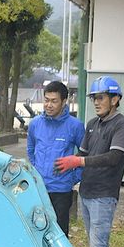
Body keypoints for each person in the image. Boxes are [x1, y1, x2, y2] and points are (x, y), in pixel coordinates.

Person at [55, 76, 124, 247]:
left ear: (115, 99)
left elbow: (114, 157)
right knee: (96, 245)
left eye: (101, 98)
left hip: (104, 195)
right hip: (87, 192)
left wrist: (78, 161)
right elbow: (84, 154)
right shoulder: (92, 125)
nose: (96, 103)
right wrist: (66, 164)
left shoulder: (122, 125)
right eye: (94, 99)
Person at [26, 80, 86, 236]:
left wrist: (73, 177)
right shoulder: (35, 124)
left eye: (54, 101)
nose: (49, 105)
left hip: (61, 190)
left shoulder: (75, 126)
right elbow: (31, 149)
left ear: (64, 102)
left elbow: (85, 154)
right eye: (46, 100)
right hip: (38, 189)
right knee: (37, 231)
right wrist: (35, 171)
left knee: (59, 233)